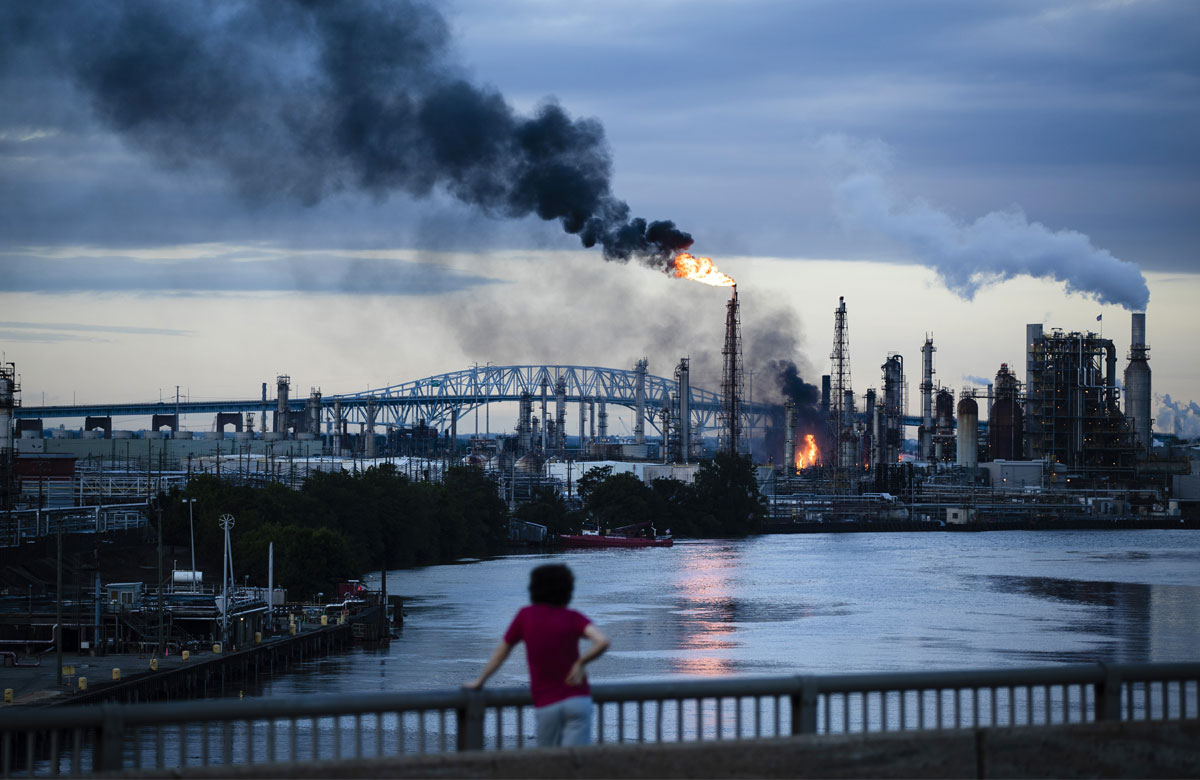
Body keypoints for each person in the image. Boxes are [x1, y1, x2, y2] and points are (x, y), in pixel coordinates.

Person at [465, 564, 610, 747]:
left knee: (550, 764)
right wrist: (581, 663)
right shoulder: (573, 617)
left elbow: (500, 654)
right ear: (567, 590)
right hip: (577, 700)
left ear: (534, 589)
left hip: (547, 703)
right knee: (575, 765)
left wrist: (480, 681)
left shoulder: (525, 616)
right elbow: (602, 641)